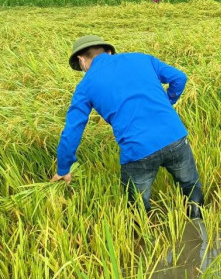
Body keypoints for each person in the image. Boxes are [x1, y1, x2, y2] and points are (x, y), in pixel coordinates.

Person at [51, 35, 204, 218]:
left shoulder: (85, 86)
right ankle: (197, 227)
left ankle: (146, 241)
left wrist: (63, 168)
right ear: (108, 51)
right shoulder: (141, 58)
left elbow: (72, 131)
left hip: (138, 151)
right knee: (190, 185)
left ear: (81, 60)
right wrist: (168, 101)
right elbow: (179, 77)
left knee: (137, 207)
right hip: (175, 137)